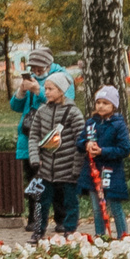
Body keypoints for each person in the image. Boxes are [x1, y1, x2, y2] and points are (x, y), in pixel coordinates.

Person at [23, 73, 87, 237]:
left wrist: (76, 168)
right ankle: (38, 232)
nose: (47, 92)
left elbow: (81, 142)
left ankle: (69, 231)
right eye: (46, 88)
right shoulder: (42, 111)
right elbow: (34, 136)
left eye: (50, 89)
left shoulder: (73, 113)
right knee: (41, 202)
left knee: (69, 202)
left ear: (61, 90)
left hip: (67, 168)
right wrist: (35, 159)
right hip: (45, 169)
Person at [81, 84, 130, 237]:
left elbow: (124, 148)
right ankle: (100, 237)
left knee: (115, 206)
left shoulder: (118, 124)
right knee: (97, 208)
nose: (101, 106)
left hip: (112, 172)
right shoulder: (91, 123)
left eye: (105, 103)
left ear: (113, 106)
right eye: (98, 102)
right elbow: (80, 141)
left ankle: (123, 236)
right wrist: (86, 144)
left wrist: (103, 151)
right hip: (93, 171)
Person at [7, 49, 50, 186]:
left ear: (48, 66)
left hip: (45, 139)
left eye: (40, 68)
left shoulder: (54, 81)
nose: (37, 71)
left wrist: (38, 90)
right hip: (27, 139)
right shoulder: (30, 81)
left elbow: (58, 103)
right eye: (34, 68)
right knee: (33, 186)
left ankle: (42, 207)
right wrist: (22, 90)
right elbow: (15, 106)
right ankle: (34, 208)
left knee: (49, 189)